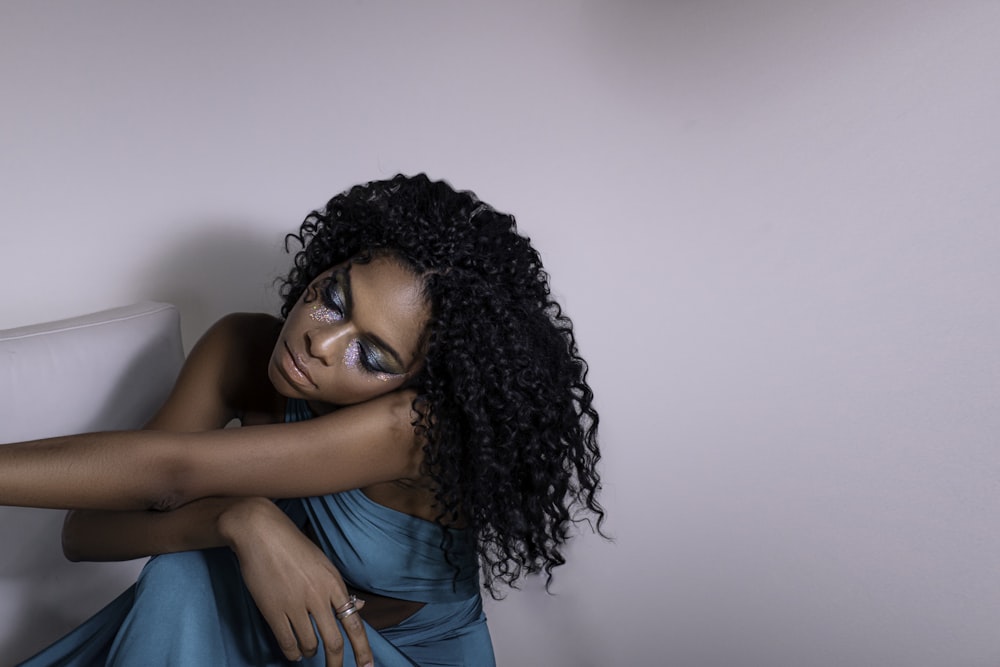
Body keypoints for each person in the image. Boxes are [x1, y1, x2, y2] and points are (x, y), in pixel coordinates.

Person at [1, 174, 606, 666]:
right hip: (260, 627)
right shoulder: (240, 347)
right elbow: (83, 533)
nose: (321, 340)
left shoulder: (413, 428)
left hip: (377, 656)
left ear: (422, 382)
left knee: (190, 576)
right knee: (187, 573)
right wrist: (237, 519)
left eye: (370, 355)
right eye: (334, 299)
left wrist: (230, 516)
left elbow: (171, 471)